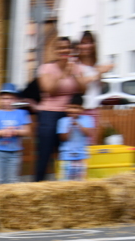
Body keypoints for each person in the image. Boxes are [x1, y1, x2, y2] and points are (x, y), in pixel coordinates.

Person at [35, 37, 87, 181]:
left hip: (69, 114)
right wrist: (62, 75)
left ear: (71, 50)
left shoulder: (76, 68)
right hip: (49, 114)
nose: (64, 50)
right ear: (55, 50)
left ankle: (63, 186)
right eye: (61, 48)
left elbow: (83, 89)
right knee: (45, 154)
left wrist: (74, 74)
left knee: (66, 153)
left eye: (67, 48)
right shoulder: (46, 68)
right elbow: (49, 89)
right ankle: (38, 185)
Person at [0, 83, 31, 185]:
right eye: (4, 98)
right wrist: (2, 132)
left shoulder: (21, 113)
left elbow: (27, 131)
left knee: (12, 181)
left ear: (16, 99)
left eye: (11, 98)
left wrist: (15, 131)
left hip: (15, 153)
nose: (7, 101)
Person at [76, 31, 114, 144]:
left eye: (89, 43)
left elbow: (97, 89)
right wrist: (98, 74)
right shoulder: (75, 65)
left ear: (93, 45)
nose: (86, 46)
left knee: (91, 144)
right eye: (83, 43)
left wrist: (101, 73)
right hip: (79, 111)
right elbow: (81, 84)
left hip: (94, 109)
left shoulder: (96, 66)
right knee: (78, 142)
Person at [57, 94, 94, 181]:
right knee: (64, 182)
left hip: (81, 156)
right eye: (70, 107)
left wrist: (77, 124)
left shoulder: (87, 119)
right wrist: (69, 126)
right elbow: (63, 138)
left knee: (80, 183)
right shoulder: (62, 121)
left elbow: (88, 133)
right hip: (66, 157)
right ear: (66, 108)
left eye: (76, 108)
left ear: (81, 109)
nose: (73, 110)